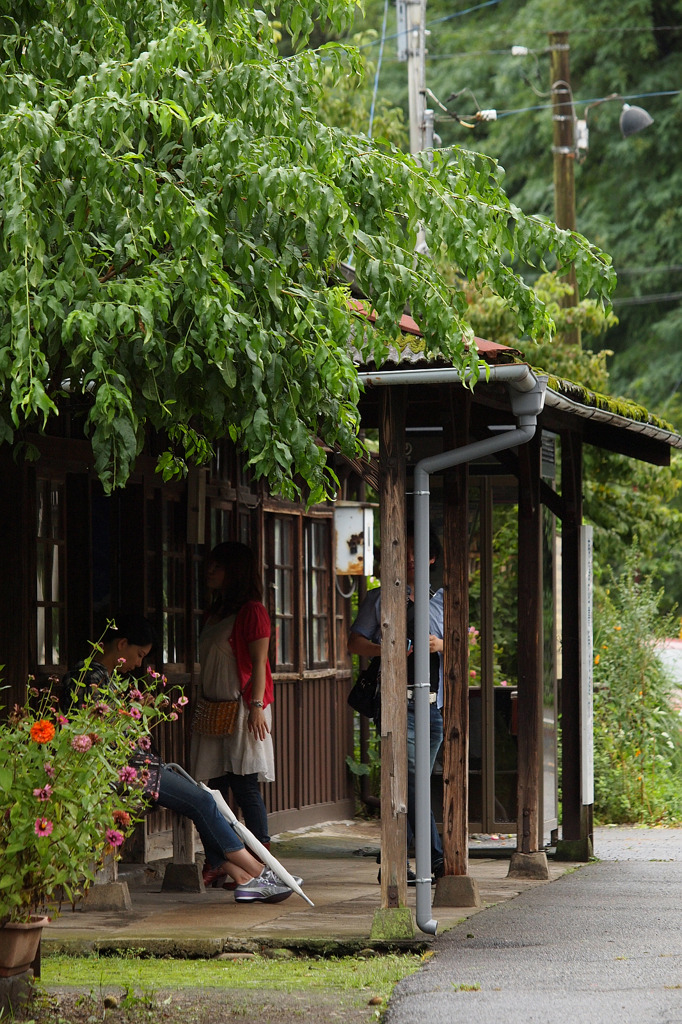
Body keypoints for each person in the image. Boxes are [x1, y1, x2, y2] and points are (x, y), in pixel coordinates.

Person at [62, 614, 298, 905]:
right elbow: (98, 732)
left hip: (135, 767)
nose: (138, 663)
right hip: (125, 771)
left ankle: (244, 879)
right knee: (203, 802)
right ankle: (259, 871)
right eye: (138, 655)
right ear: (121, 643)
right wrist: (133, 714)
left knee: (203, 800)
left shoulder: (102, 677)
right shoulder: (89, 678)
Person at [348, 527, 445, 883]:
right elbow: (355, 643)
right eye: (402, 552)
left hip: (433, 706)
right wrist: (385, 648)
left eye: (416, 552)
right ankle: (432, 860)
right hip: (396, 703)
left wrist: (441, 645)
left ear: (431, 558)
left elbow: (461, 647)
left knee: (412, 784)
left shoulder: (443, 599)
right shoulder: (380, 598)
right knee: (411, 780)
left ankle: (399, 863)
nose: (408, 559)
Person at [190, 543, 275, 890]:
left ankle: (262, 861)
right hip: (214, 708)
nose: (210, 572)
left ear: (235, 572)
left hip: (242, 707)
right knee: (212, 788)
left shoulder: (252, 611)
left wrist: (256, 706)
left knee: (243, 784)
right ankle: (222, 858)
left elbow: (259, 662)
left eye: (217, 567)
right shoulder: (215, 612)